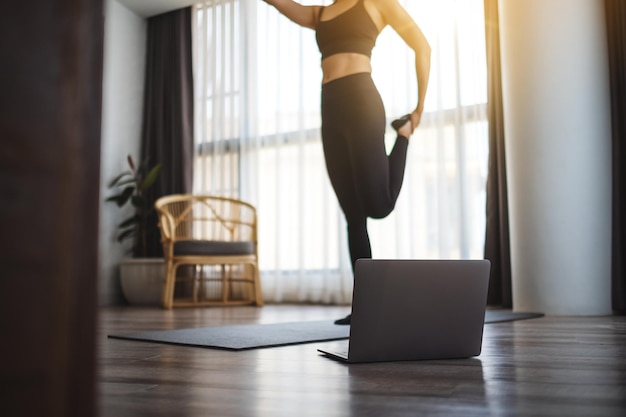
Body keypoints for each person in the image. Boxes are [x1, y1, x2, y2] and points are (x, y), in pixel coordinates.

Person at [263, 0, 431, 324]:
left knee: (379, 206)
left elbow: (422, 46)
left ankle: (404, 134)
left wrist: (420, 107)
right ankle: (366, 308)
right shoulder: (320, 13)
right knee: (353, 216)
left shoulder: (377, 3)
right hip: (331, 109)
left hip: (361, 101)